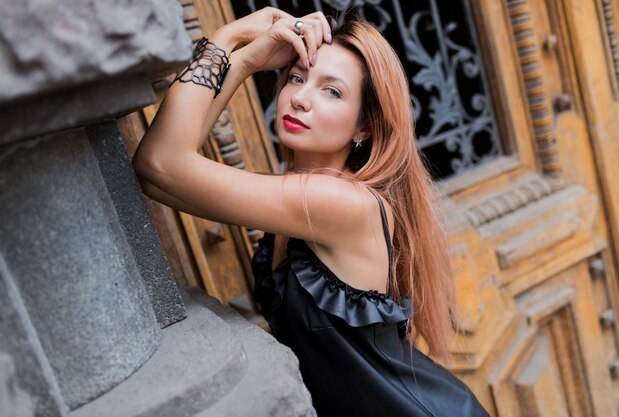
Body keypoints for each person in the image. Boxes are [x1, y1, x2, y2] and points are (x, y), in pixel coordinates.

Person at [133, 7, 490, 417]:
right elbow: (171, 159)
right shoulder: (300, 197)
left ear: (364, 127)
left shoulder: (338, 203)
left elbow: (160, 163)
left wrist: (226, 40)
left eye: (332, 91)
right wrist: (246, 61)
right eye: (297, 77)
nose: (300, 98)